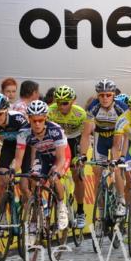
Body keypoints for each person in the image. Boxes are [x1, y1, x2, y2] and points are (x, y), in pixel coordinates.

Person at [14, 100, 70, 230]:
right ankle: (36, 217)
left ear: (46, 118)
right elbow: (18, 160)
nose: (37, 124)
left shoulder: (55, 130)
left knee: (55, 177)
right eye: (34, 121)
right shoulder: (23, 132)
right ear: (29, 119)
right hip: (43, 155)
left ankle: (62, 208)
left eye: (40, 120)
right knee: (35, 179)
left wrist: (56, 170)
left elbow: (61, 158)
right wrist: (12, 170)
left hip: (60, 155)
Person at [79, 79, 126, 212]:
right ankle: (100, 208)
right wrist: (83, 155)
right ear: (97, 95)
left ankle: (121, 200)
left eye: (108, 95)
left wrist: (121, 155)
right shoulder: (93, 107)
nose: (105, 98)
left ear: (113, 95)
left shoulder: (121, 108)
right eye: (101, 95)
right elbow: (86, 134)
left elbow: (126, 133)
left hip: (116, 137)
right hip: (101, 138)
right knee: (97, 173)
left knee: (115, 168)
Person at [48, 85, 87, 228]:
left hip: (74, 140)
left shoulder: (80, 113)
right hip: (57, 141)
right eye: (58, 103)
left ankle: (81, 211)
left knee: (77, 174)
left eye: (65, 103)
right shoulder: (50, 111)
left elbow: (85, 136)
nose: (61, 106)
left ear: (73, 101)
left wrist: (82, 155)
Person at [0, 93, 31, 201]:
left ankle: (30, 207)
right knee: (1, 180)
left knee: (24, 187)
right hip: (9, 146)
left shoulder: (18, 118)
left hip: (26, 147)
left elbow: (20, 152)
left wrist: (14, 166)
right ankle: (4, 214)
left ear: (7, 110)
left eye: (0, 114)